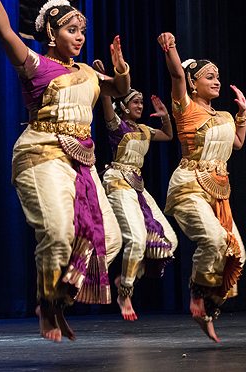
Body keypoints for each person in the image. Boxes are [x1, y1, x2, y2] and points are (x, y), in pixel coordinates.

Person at [0, 0, 130, 342]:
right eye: (71, 30)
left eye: (82, 31)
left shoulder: (89, 73)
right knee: (58, 235)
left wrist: (121, 69)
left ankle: (58, 299)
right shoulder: (36, 65)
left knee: (110, 239)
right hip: (42, 153)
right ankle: (45, 303)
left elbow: (119, 90)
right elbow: (5, 33)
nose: (79, 37)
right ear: (50, 32)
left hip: (82, 163)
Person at [158, 32, 246, 342]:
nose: (217, 80)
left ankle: (208, 311)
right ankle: (197, 296)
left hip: (219, 190)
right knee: (213, 240)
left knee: (238, 254)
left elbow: (237, 144)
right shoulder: (184, 107)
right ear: (193, 83)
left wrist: (242, 114)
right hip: (189, 186)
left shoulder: (222, 114)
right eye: (210, 76)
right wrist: (171, 49)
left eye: (218, 77)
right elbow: (175, 73)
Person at [93, 60, 178, 321]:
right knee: (136, 239)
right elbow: (106, 99)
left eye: (141, 103)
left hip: (138, 186)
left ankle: (126, 278)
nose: (140, 106)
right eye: (135, 102)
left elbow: (168, 135)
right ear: (123, 105)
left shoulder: (143, 130)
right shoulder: (115, 124)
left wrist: (165, 115)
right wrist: (106, 78)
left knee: (169, 242)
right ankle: (125, 293)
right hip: (117, 181)